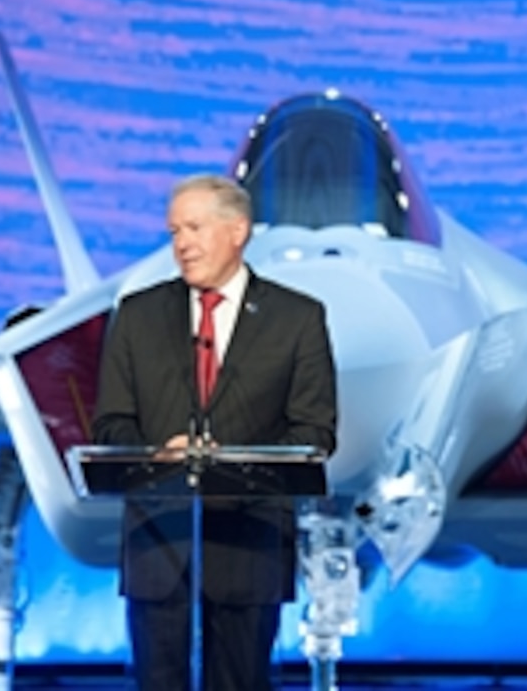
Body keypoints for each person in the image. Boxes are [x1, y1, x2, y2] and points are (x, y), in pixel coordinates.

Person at [91, 173, 338, 691]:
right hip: (159, 545)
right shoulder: (137, 315)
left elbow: (314, 433)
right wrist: (157, 455)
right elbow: (111, 423)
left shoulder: (296, 318)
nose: (181, 244)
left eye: (194, 228)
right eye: (174, 231)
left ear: (238, 230)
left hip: (249, 547)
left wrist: (232, 464)